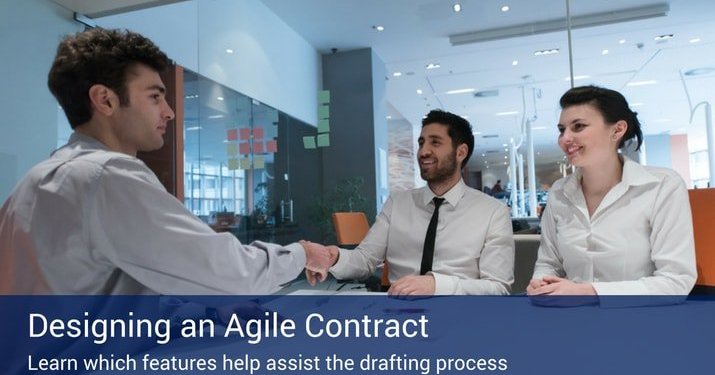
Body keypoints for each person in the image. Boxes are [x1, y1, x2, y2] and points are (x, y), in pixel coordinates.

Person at [0, 28, 332, 294]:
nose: (169, 112)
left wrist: (200, 312)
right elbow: (231, 273)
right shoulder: (106, 176)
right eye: (155, 97)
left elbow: (102, 293)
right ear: (105, 100)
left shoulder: (33, 182)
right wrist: (303, 255)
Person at [306, 110, 514, 296]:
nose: (423, 152)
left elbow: (497, 288)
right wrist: (333, 257)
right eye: (421, 142)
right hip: (400, 316)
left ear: (461, 152)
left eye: (435, 142)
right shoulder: (397, 203)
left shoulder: (493, 212)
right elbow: (366, 259)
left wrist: (436, 285)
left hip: (459, 316)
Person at [527, 85, 696, 300]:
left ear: (617, 130)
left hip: (641, 319)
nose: (564, 138)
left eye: (578, 127)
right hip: (569, 317)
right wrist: (541, 283)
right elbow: (548, 263)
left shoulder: (662, 186)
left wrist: (588, 292)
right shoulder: (559, 192)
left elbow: (676, 281)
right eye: (562, 130)